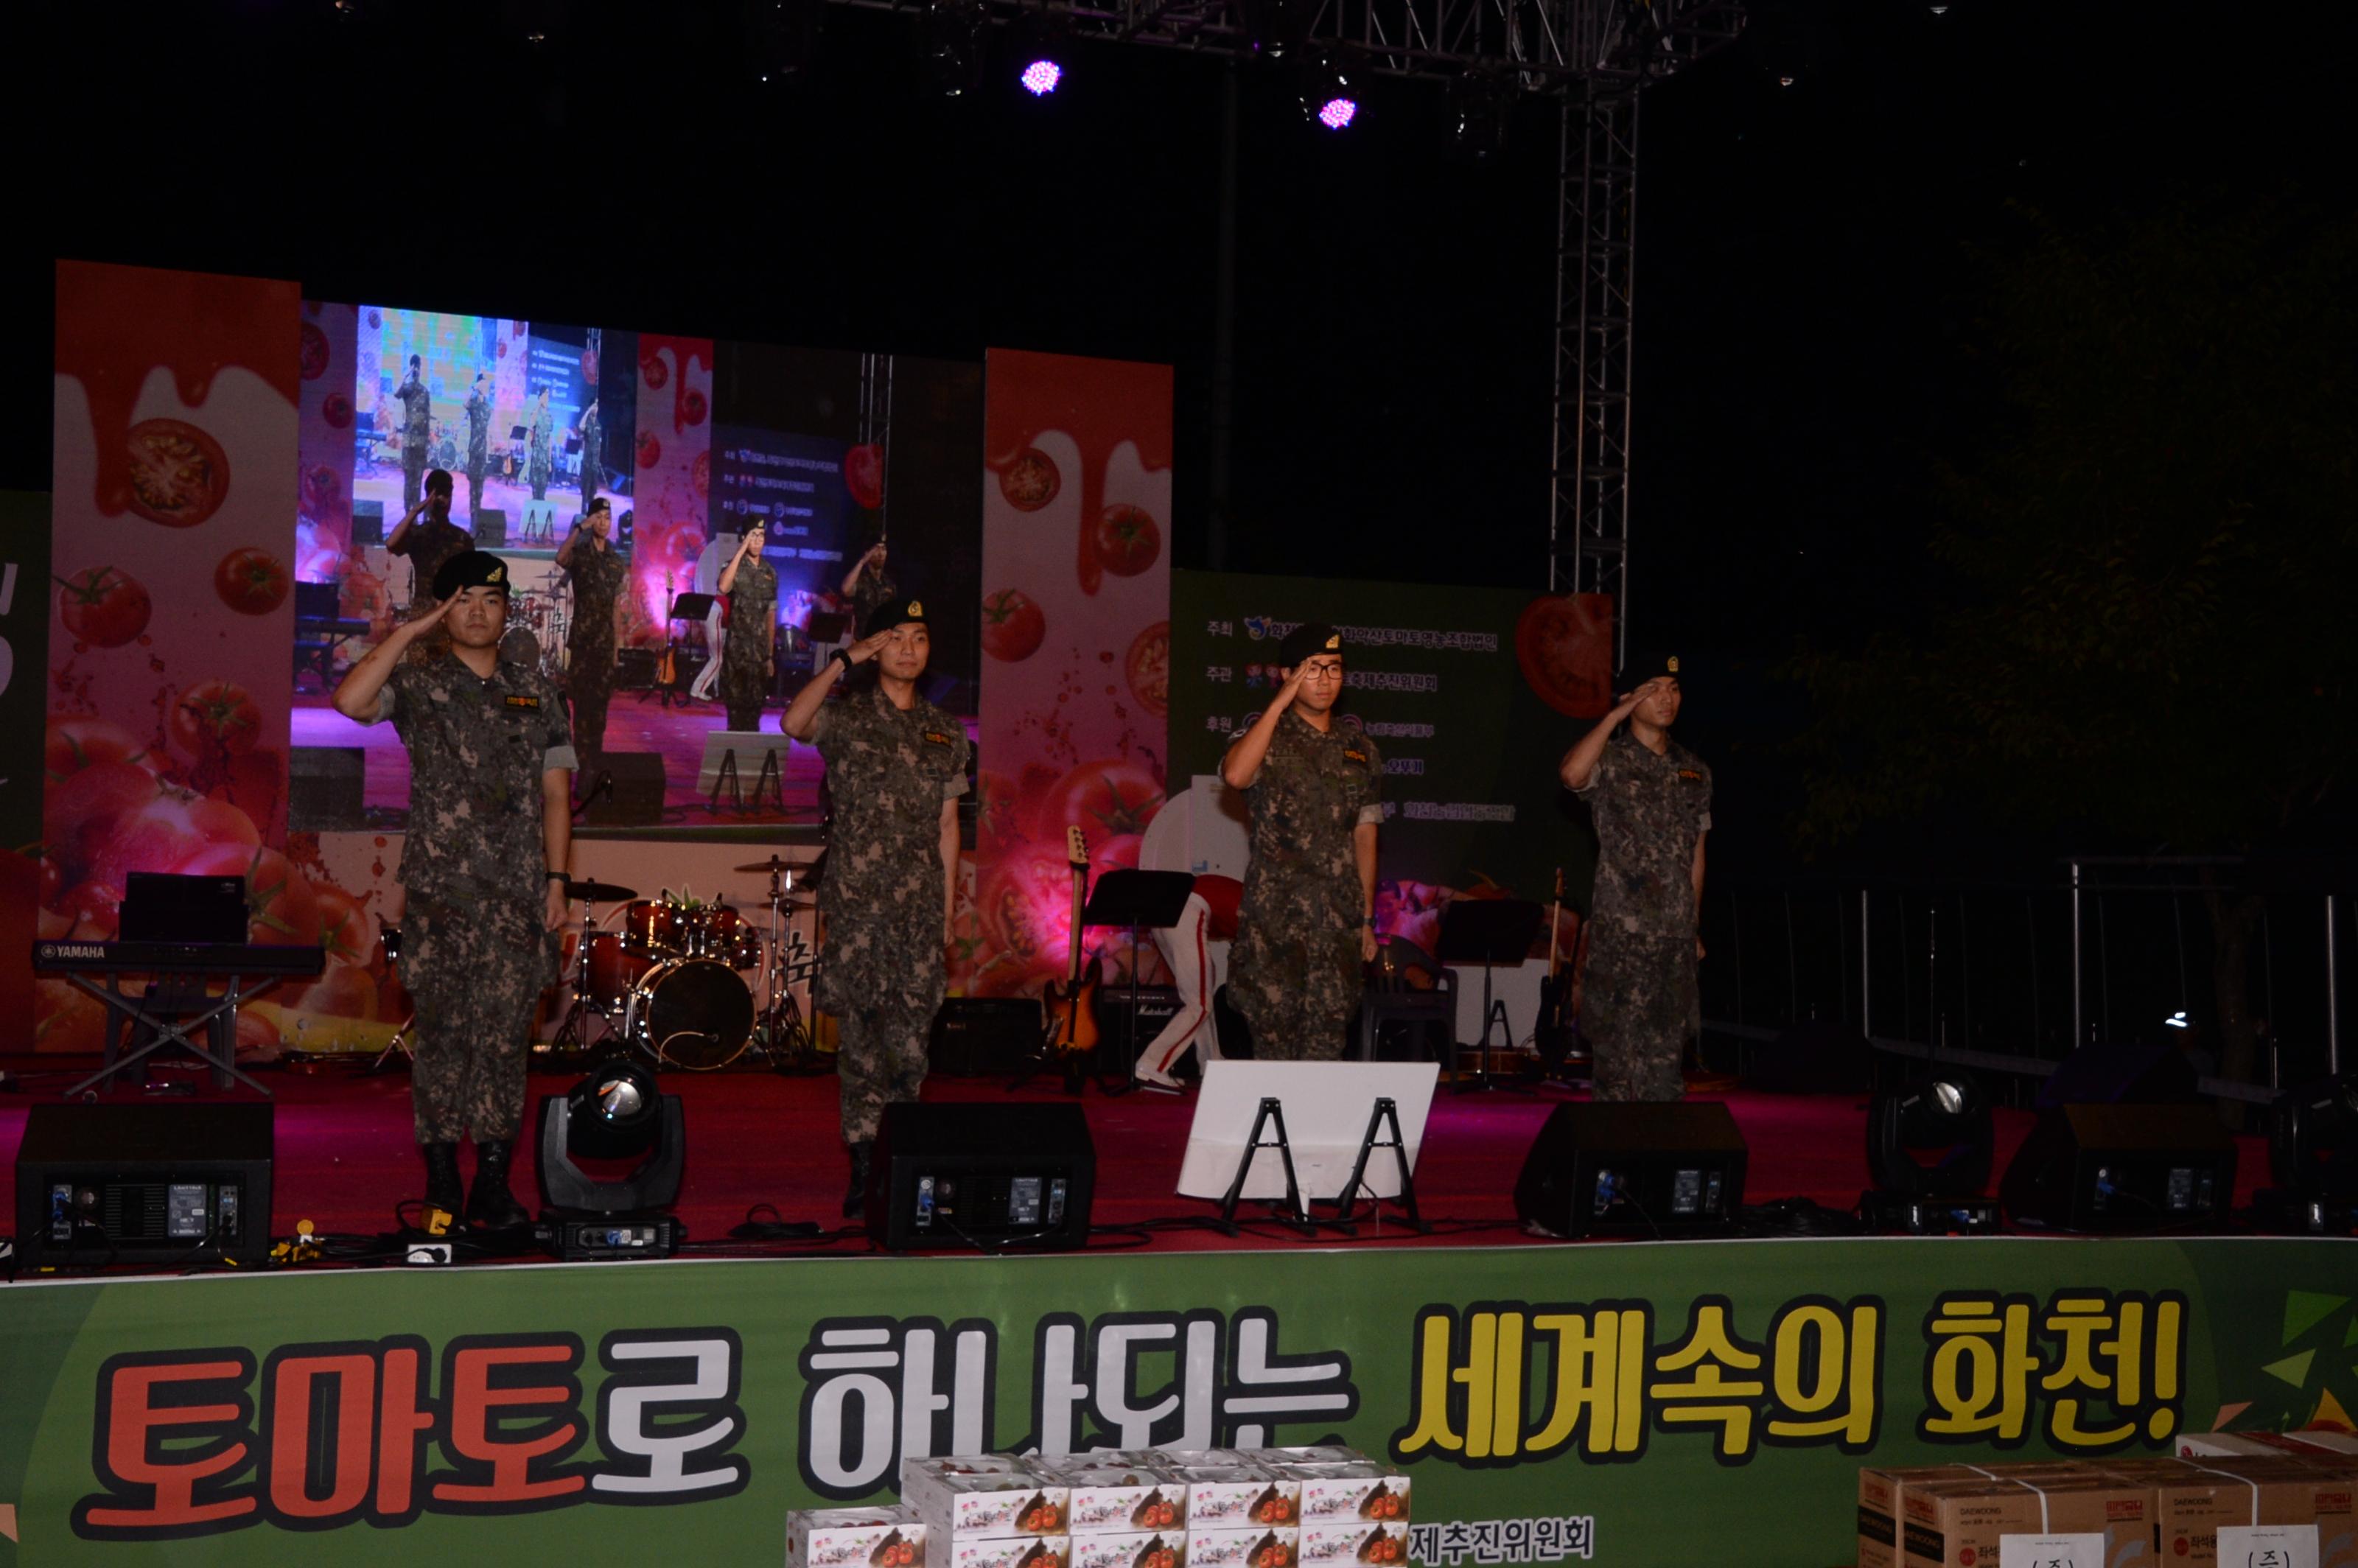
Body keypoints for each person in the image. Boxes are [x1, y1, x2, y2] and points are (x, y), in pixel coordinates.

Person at [329, 550, 575, 1231]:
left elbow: (557, 794)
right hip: (442, 896)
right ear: (445, 609)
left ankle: (493, 1184)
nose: (477, 612)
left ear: (506, 610)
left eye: (490, 601)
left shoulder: (537, 691)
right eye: (462, 599)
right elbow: (349, 701)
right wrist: (409, 632)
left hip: (519, 898)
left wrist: (557, 882)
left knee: (503, 1044)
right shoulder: (420, 681)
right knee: (441, 1043)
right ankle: (442, 1181)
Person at [781, 595, 967, 1214]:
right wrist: (843, 660)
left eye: (919, 637)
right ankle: (864, 1167)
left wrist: (944, 917)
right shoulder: (850, 717)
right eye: (896, 638)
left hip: (918, 917)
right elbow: (793, 723)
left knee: (911, 1049)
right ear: (877, 648)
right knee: (860, 1047)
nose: (909, 649)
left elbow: (947, 828)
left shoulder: (946, 733)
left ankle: (903, 1165)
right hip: (859, 913)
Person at [1219, 622, 1383, 1060]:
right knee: (1273, 1046)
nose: (1326, 680)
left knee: (1327, 1047)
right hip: (1276, 925)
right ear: (1286, 675)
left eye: (1334, 668)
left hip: (1336, 926)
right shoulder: (1266, 738)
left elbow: (1365, 836)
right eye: (1312, 670)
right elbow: (1236, 775)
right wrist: (1278, 705)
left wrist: (1366, 918)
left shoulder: (1360, 749)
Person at [1556, 651, 1711, 1102]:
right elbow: (1570, 774)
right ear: (1630, 697)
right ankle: (1611, 1169)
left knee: (1665, 1070)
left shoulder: (1694, 771)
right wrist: (1615, 715)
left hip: (1674, 940)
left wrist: (1694, 925)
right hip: (1622, 937)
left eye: (1674, 688)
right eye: (1654, 688)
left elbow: (1697, 855)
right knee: (1618, 1069)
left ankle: (1659, 1165)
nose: (1667, 698)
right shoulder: (1611, 760)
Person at [1131, 872, 1244, 1091]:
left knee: (1200, 999)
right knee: (1199, 1004)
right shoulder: (1263, 913)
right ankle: (1151, 1064)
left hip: (1166, 911)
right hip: (1191, 909)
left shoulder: (1249, 896)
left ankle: (1212, 1064)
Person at [556, 496, 626, 769]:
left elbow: (616, 609)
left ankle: (592, 766)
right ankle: (581, 767)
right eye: (599, 517)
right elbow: (561, 557)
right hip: (584, 645)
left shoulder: (615, 561)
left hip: (604, 646)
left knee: (600, 714)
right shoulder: (582, 553)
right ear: (591, 519)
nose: (604, 523)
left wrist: (616, 649)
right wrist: (579, 528)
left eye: (608, 518)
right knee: (582, 711)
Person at [718, 520, 778, 731]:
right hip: (737, 652)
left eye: (761, 536)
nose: (758, 540)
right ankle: (732, 760)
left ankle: (749, 762)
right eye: (753, 535)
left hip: (760, 655)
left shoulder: (770, 572)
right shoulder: (733, 566)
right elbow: (724, 587)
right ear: (744, 538)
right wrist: (742, 550)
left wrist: (770, 656)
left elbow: (771, 616)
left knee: (755, 713)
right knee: (735, 713)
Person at [385, 469, 471, 612]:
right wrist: (415, 511)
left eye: (446, 495)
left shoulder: (462, 538)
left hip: (451, 614)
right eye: (437, 495)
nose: (442, 501)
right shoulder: (419, 534)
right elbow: (391, 544)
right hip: (422, 614)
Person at [395, 354, 432, 514]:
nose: (417, 370)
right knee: (408, 480)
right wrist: (406, 375)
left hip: (421, 443)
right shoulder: (407, 388)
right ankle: (406, 512)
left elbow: (428, 416)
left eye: (418, 367)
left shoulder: (425, 391)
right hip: (409, 442)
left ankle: (415, 513)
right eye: (414, 366)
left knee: (418, 480)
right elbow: (396, 393)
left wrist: (429, 442)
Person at [463, 371, 494, 521]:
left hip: (483, 451)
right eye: (484, 383)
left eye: (487, 383)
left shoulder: (488, 406)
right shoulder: (473, 402)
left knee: (480, 486)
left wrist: (488, 452)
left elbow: (488, 429)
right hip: (474, 449)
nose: (486, 386)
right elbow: (465, 404)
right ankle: (472, 513)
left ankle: (478, 515)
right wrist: (474, 388)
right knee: (472, 485)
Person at [527, 388, 553, 502]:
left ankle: (540, 514)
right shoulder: (535, 413)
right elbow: (531, 424)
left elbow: (549, 440)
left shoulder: (549, 417)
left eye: (548, 395)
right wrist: (539, 403)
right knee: (535, 487)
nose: (547, 398)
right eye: (545, 395)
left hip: (544, 458)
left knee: (543, 490)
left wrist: (549, 461)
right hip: (536, 456)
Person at [575, 396, 601, 511]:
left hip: (595, 464)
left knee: (593, 492)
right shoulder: (587, 422)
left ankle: (591, 513)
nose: (596, 408)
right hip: (587, 463)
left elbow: (599, 444)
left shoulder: (599, 425)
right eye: (594, 406)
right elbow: (581, 427)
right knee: (585, 492)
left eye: (597, 406)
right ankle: (583, 514)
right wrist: (587, 411)